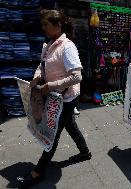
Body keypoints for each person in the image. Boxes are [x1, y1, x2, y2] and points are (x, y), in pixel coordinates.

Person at [17, 10, 91, 188]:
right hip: (57, 96)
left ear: (57, 26)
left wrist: (50, 86)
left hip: (65, 97)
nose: (42, 28)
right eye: (42, 24)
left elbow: (77, 76)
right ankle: (85, 152)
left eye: (45, 24)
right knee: (70, 125)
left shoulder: (67, 47)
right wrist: (36, 77)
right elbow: (42, 66)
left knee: (52, 134)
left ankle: (38, 172)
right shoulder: (50, 44)